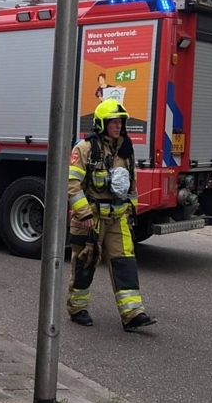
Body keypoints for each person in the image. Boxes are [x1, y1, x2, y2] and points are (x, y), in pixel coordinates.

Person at [66, 99, 156, 332]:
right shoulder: (85, 149)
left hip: (118, 217)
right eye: (113, 122)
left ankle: (133, 314)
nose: (118, 126)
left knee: (125, 262)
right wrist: (83, 213)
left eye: (120, 122)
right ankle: (77, 308)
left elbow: (131, 184)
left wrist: (131, 211)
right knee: (86, 262)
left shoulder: (125, 149)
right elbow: (72, 184)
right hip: (90, 219)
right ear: (101, 124)